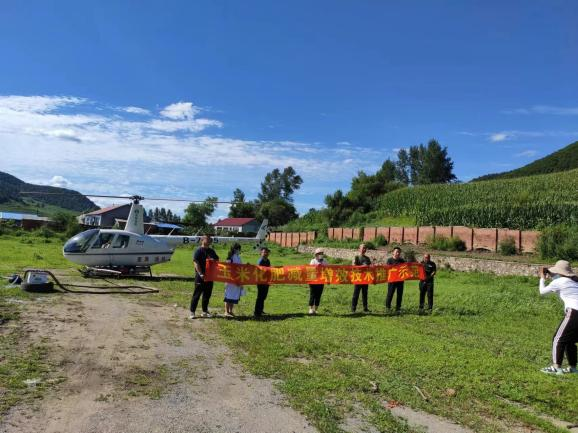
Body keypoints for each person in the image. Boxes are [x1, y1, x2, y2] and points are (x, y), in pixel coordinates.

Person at [539, 260, 578, 375]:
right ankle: (572, 368)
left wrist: (542, 278)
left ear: (559, 272)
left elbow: (542, 292)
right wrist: (551, 275)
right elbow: (560, 284)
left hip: (574, 312)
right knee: (570, 341)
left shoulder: (559, 281)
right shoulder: (574, 281)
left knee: (558, 338)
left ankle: (556, 367)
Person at [190, 235, 219, 319]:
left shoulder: (211, 251)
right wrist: (200, 273)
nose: (210, 240)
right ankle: (192, 312)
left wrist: (214, 261)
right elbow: (196, 262)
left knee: (207, 295)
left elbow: (217, 260)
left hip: (210, 276)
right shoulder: (198, 251)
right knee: (197, 295)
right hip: (200, 276)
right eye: (207, 239)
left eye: (210, 239)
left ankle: (204, 311)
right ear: (202, 240)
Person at [223, 243, 244, 317]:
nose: (239, 250)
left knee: (234, 296)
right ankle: (226, 311)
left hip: (237, 279)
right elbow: (228, 268)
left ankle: (230, 311)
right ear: (235, 249)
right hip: (230, 280)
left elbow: (240, 267)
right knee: (228, 296)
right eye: (238, 249)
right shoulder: (230, 258)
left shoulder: (238, 257)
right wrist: (233, 279)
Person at [351, 243, 372, 313]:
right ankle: (353, 308)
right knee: (356, 294)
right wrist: (362, 266)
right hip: (358, 278)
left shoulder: (367, 258)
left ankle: (365, 308)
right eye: (363, 248)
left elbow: (370, 267)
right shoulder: (356, 257)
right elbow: (353, 267)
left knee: (365, 294)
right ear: (359, 249)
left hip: (365, 279)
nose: (364, 249)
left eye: (365, 248)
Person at [385, 247, 405, 313]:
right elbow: (387, 269)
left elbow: (405, 268)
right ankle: (388, 308)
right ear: (393, 252)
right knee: (390, 294)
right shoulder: (389, 260)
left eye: (399, 252)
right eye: (396, 252)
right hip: (392, 280)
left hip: (400, 280)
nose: (398, 253)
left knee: (400, 294)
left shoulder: (402, 261)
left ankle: (398, 308)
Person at [308, 247, 327, 315]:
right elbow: (310, 270)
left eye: (321, 253)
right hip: (313, 281)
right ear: (316, 254)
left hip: (321, 281)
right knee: (312, 294)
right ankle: (310, 309)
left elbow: (328, 269)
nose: (320, 255)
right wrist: (317, 267)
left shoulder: (325, 261)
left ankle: (316, 309)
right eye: (319, 253)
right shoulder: (313, 261)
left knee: (318, 295)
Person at [254, 247, 271, 317]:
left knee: (264, 296)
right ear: (261, 253)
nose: (265, 253)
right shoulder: (260, 261)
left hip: (266, 282)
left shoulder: (268, 261)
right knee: (260, 296)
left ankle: (261, 310)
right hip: (260, 282)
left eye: (266, 252)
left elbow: (269, 270)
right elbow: (258, 271)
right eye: (264, 252)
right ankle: (257, 312)